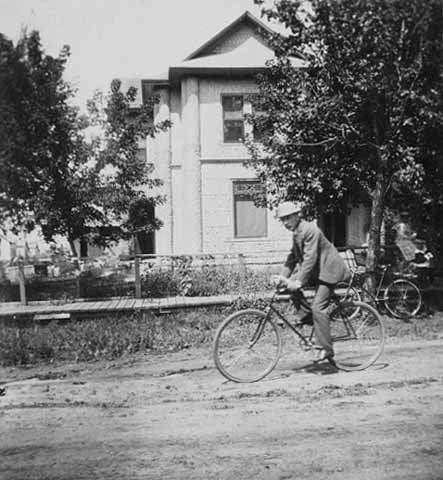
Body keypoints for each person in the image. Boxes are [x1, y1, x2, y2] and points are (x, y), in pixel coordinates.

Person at [271, 201, 351, 363]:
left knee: (318, 307)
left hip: (329, 271)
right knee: (288, 288)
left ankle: (327, 349)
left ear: (297, 215)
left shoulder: (310, 230)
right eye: (282, 219)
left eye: (288, 218)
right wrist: (283, 278)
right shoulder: (297, 233)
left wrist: (299, 281)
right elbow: (292, 259)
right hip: (317, 271)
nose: (285, 223)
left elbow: (310, 259)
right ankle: (309, 319)